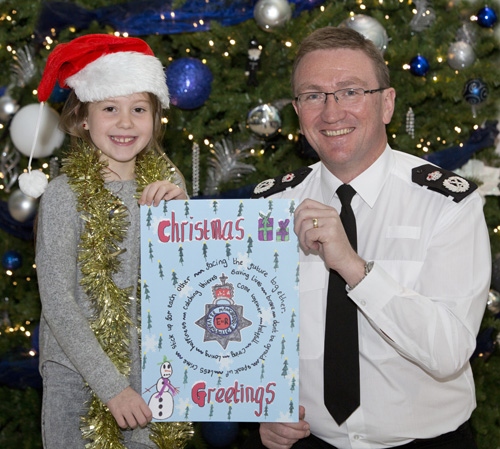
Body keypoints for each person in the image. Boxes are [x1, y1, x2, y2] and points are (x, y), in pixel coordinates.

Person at [247, 26, 491, 449]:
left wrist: (354, 268)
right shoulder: (270, 208)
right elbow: (251, 327)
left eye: (350, 91)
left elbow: (450, 351)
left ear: (387, 104)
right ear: (297, 111)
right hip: (308, 442)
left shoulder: (447, 205)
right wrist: (262, 407)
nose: (331, 112)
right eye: (313, 95)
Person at [28, 34, 188, 448]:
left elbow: (191, 276)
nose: (125, 122)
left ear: (155, 118)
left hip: (156, 376)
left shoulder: (169, 185)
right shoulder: (64, 196)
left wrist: (184, 213)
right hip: (80, 378)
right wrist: (111, 386)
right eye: (110, 109)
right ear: (83, 118)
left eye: (139, 109)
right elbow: (58, 301)